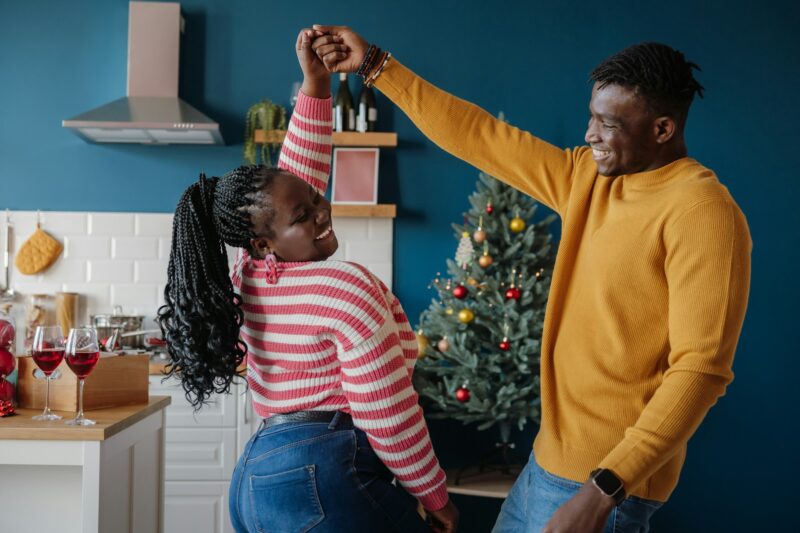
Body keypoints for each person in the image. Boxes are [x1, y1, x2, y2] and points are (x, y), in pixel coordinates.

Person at [310, 27, 752, 533]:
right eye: (592, 116)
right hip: (547, 467)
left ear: (662, 129)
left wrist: (603, 491)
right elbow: (479, 136)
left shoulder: (701, 211)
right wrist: (376, 66)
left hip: (603, 488)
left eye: (608, 124)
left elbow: (701, 371)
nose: (589, 135)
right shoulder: (587, 176)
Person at [157, 29, 459, 533]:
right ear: (265, 242)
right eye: (307, 213)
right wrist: (435, 495)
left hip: (256, 478)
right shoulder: (345, 288)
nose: (323, 211)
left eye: (317, 199)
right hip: (326, 475)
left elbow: (294, 184)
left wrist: (314, 84)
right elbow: (386, 411)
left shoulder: (249, 274)